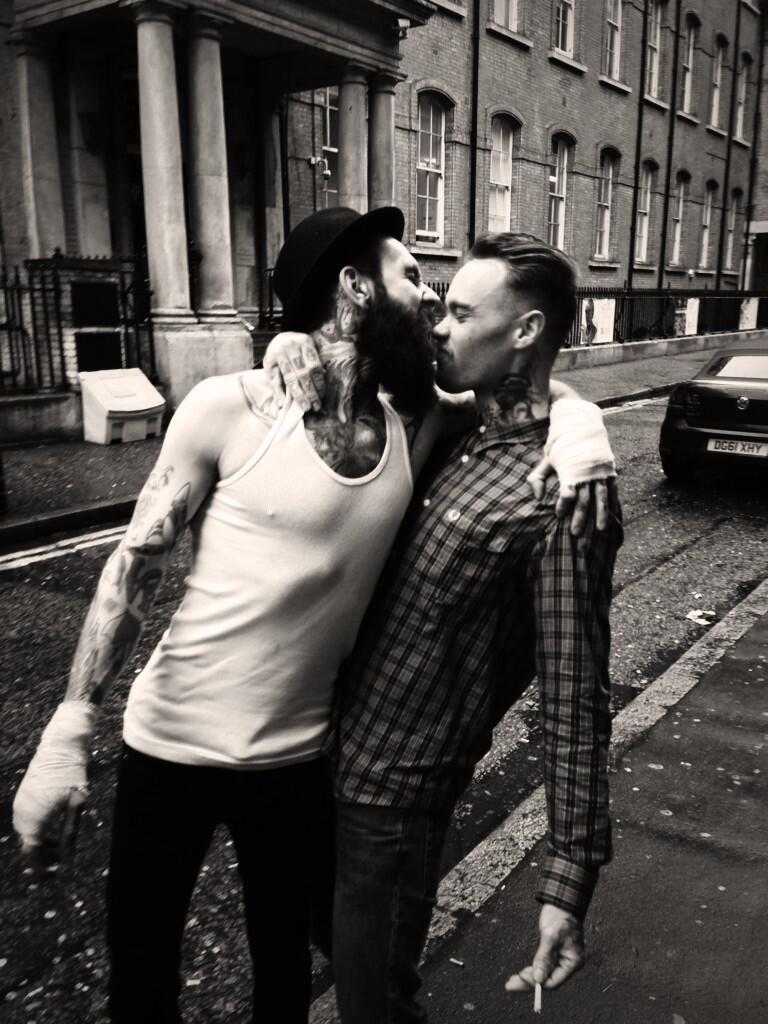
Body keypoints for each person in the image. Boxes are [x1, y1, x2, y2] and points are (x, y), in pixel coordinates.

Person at [12, 209, 613, 1023]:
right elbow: (135, 565)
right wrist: (68, 727)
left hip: (295, 765)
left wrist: (582, 430)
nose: (431, 301)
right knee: (141, 982)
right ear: (355, 287)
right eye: (414, 278)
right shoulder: (229, 407)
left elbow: (530, 395)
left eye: (448, 300)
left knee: (285, 986)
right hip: (167, 746)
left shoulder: (417, 424)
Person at [268, 233, 622, 1023]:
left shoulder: (562, 496)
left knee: (373, 1004)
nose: (439, 325)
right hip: (317, 760)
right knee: (331, 957)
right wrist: (290, 342)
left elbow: (575, 696)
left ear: (525, 331)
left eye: (462, 313)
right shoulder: (456, 430)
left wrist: (569, 878)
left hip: (395, 800)